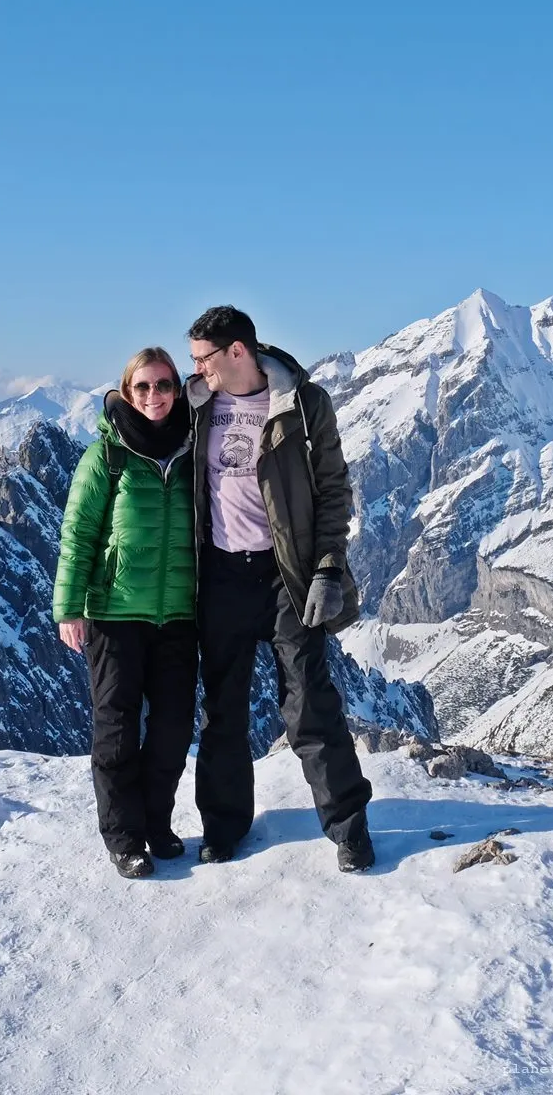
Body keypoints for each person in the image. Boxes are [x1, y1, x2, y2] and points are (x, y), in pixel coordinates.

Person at [185, 306, 375, 873]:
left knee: (309, 703)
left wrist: (326, 569)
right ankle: (224, 827)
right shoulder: (197, 406)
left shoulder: (302, 403)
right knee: (223, 709)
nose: (196, 369)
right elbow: (138, 415)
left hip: (285, 576)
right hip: (220, 576)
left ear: (237, 351)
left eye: (204, 358)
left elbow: (334, 491)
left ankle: (348, 828)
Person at [53, 347, 197, 879]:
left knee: (173, 730)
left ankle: (156, 825)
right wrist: (70, 606)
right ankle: (124, 838)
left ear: (177, 391)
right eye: (143, 387)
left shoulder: (192, 448)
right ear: (127, 392)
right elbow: (79, 534)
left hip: (179, 616)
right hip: (115, 614)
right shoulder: (105, 456)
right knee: (115, 732)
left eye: (164, 386)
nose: (154, 396)